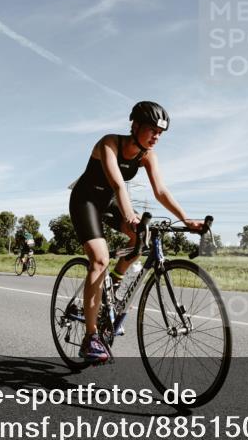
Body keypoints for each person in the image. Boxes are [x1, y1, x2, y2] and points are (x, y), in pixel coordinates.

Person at [69, 101, 204, 363]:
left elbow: (161, 192)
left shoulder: (147, 156)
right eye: (152, 130)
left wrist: (186, 220)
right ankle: (91, 338)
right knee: (99, 259)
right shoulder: (109, 143)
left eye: (160, 133)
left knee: (144, 238)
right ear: (135, 126)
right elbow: (118, 184)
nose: (156, 137)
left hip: (108, 204)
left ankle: (115, 284)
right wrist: (130, 215)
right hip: (85, 201)